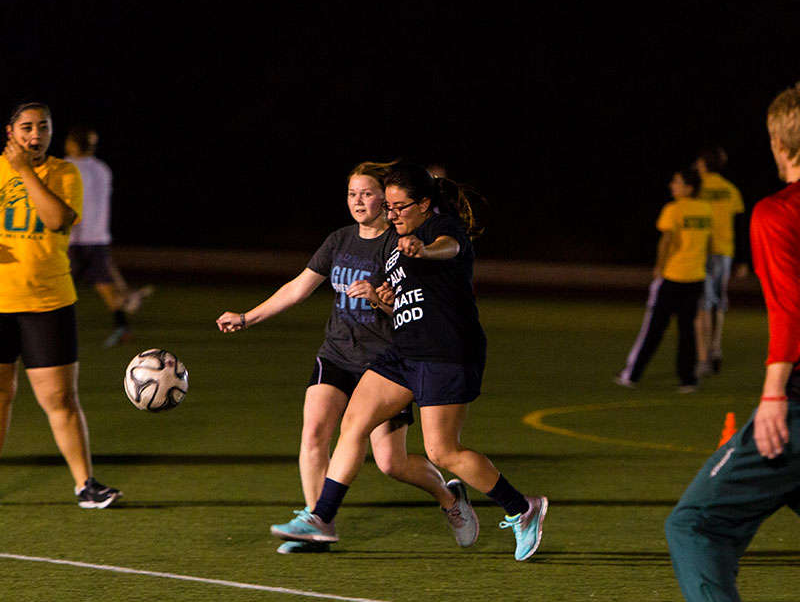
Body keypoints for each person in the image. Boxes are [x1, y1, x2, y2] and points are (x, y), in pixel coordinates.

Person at [268, 162, 548, 562]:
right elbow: (406, 301)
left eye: (399, 206)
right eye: (391, 206)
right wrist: (380, 297)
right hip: (403, 352)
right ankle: (322, 519)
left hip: (447, 353)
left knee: (442, 451)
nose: (392, 213)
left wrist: (425, 249)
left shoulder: (438, 230)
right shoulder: (398, 242)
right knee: (354, 422)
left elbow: (449, 248)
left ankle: (523, 508)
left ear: (424, 205)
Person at [216, 161, 478, 553]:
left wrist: (377, 298)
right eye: (352, 194)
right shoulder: (338, 241)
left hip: (386, 362)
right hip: (337, 354)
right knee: (315, 432)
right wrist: (246, 317)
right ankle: (317, 521)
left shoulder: (401, 242)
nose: (358, 201)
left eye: (367, 194)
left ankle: (449, 497)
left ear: (386, 200)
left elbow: (412, 311)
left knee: (392, 462)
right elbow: (297, 288)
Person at [660, 81, 800, 602]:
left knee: (694, 523)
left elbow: (791, 311)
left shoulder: (778, 212)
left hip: (797, 404)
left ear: (777, 143)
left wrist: (774, 394)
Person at [0, 101, 122, 508]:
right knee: (0, 395)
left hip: (47, 302)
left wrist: (23, 172)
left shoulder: (64, 172)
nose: (35, 134)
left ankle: (85, 484)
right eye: (27, 127)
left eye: (43, 127)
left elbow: (56, 219)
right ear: (10, 131)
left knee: (60, 399)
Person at [615, 166, 712, 392]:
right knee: (687, 330)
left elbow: (666, 241)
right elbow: (708, 243)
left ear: (689, 188)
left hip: (673, 276)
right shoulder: (706, 210)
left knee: (653, 329)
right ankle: (688, 380)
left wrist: (659, 267)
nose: (672, 185)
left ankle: (631, 375)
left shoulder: (673, 209)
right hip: (695, 277)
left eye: (676, 182)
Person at [64, 124, 153, 348]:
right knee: (105, 286)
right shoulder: (103, 169)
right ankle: (123, 326)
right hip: (99, 238)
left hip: (73, 238)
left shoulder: (65, 167)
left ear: (74, 143)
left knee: (58, 286)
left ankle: (51, 331)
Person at [694, 146, 746, 376]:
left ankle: (703, 358)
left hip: (703, 251)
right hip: (725, 251)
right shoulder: (731, 189)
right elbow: (740, 225)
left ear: (704, 164)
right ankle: (716, 347)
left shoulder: (696, 188)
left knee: (703, 304)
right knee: (719, 302)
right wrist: (742, 259)